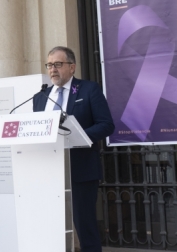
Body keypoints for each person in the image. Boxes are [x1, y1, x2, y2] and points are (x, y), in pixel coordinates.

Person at [33, 46, 114, 252]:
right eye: (49, 65)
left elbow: (106, 125)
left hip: (81, 169)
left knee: (84, 223)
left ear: (72, 67)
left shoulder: (89, 90)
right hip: (48, 170)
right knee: (49, 222)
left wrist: (79, 135)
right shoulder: (40, 97)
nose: (52, 69)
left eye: (58, 64)